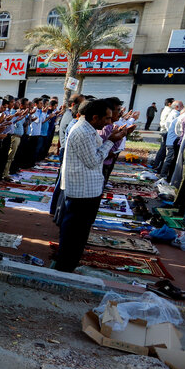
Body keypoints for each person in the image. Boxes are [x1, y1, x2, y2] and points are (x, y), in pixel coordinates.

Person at [55, 100, 129, 272]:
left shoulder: (88, 129)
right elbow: (93, 160)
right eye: (107, 118)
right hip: (82, 191)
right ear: (95, 117)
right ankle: (65, 266)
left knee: (80, 232)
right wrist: (110, 141)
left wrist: (112, 139)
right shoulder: (82, 131)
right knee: (74, 232)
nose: (110, 123)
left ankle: (70, 263)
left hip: (88, 188)